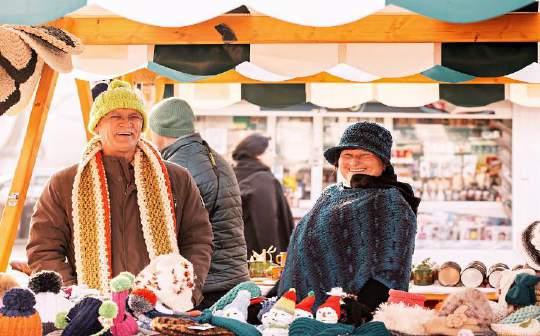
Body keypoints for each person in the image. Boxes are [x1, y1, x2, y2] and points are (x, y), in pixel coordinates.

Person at [26, 80, 213, 305]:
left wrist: (185, 292)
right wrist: (73, 297)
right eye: (115, 116)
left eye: (134, 117)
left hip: (163, 307)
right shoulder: (64, 183)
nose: (127, 123)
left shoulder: (176, 178)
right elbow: (43, 249)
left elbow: (198, 240)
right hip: (90, 310)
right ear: (97, 126)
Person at [278, 122, 420, 311]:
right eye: (347, 155)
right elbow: (300, 253)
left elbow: (390, 270)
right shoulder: (330, 194)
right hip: (298, 309)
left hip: (345, 315)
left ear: (383, 162)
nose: (354, 163)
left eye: (364, 155)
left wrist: (356, 312)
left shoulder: (390, 201)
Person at [149, 97, 249, 309]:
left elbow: (171, 233)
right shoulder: (215, 158)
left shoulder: (175, 167)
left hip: (204, 284)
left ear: (160, 130)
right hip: (233, 278)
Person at [232, 133, 295, 256]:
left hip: (236, 256)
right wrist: (274, 261)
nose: (273, 155)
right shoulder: (262, 180)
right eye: (270, 150)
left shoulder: (230, 176)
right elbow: (267, 226)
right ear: (258, 153)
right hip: (259, 261)